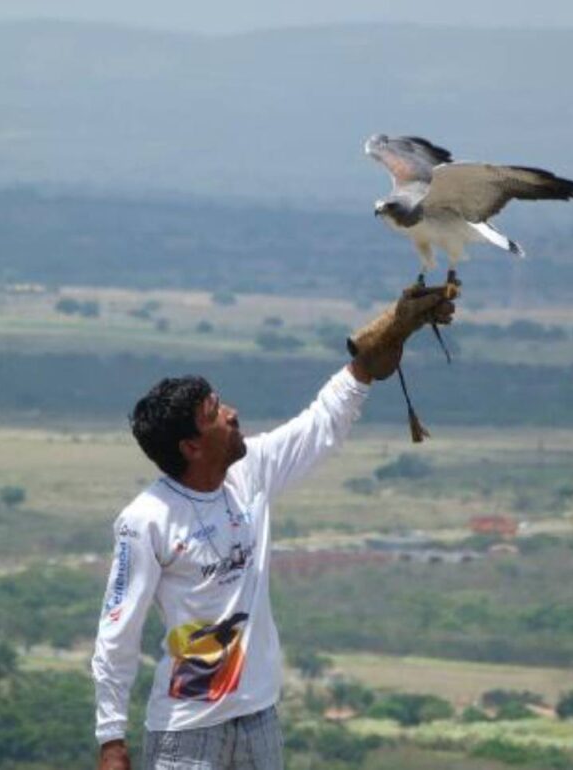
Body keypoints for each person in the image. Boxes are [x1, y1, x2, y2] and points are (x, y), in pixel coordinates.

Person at [92, 285, 456, 770]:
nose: (231, 414)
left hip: (259, 719)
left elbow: (320, 425)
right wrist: (111, 739)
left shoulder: (250, 473)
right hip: (187, 729)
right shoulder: (145, 521)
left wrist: (366, 365)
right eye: (215, 414)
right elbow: (118, 634)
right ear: (191, 447)